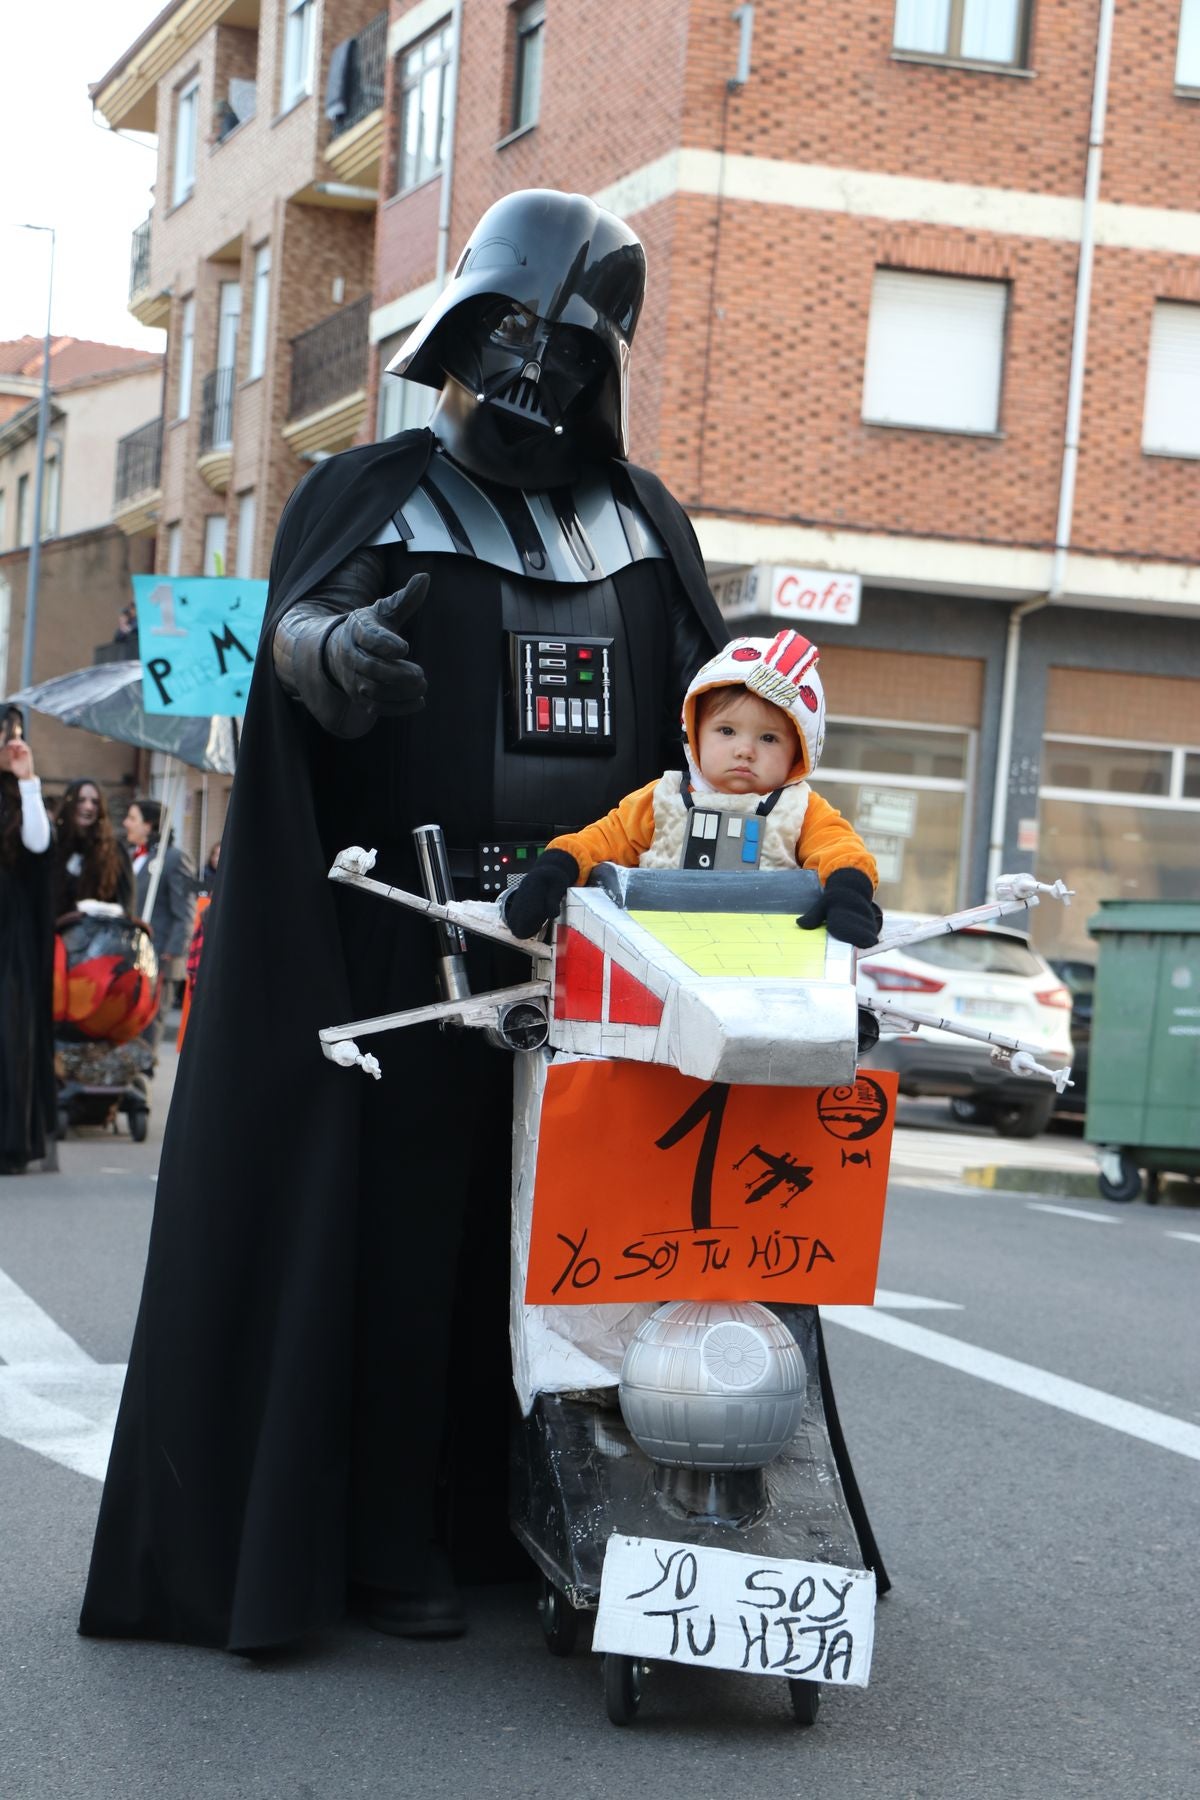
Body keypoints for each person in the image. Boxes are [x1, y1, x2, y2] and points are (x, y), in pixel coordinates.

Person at [81, 189, 881, 1655]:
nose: (534, 376)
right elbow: (298, 645)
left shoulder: (642, 523)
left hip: (607, 954)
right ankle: (390, 1535)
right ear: (460, 329)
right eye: (511, 337)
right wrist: (328, 654)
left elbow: (728, 730)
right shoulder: (374, 492)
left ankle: (596, 1516)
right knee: (403, 1242)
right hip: (413, 938)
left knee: (598, 1243)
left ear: (604, 370)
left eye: (567, 351)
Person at [503, 630, 881, 946]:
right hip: (655, 956)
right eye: (727, 731)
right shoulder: (661, 797)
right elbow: (601, 839)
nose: (745, 750)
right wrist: (555, 869)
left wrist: (848, 892)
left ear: (799, 750)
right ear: (694, 733)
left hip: (765, 959)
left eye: (768, 738)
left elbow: (839, 848)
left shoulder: (801, 808)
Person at [0, 723, 56, 1175]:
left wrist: (27, 779)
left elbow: (38, 843)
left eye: (18, 734)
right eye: (6, 736)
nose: (13, 743)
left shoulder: (23, 795)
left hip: (9, 933)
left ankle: (9, 1140)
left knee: (10, 1031)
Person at [122, 798, 196, 987]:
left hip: (159, 954)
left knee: (154, 1016)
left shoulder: (174, 859)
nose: (125, 823)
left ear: (148, 826)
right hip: (129, 954)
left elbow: (185, 911)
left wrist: (173, 951)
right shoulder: (131, 856)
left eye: (132, 818)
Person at [52, 780, 135, 921]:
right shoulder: (54, 846)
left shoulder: (114, 851)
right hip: (55, 935)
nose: (88, 807)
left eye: (95, 802)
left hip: (100, 934)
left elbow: (126, 905)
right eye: (81, 800)